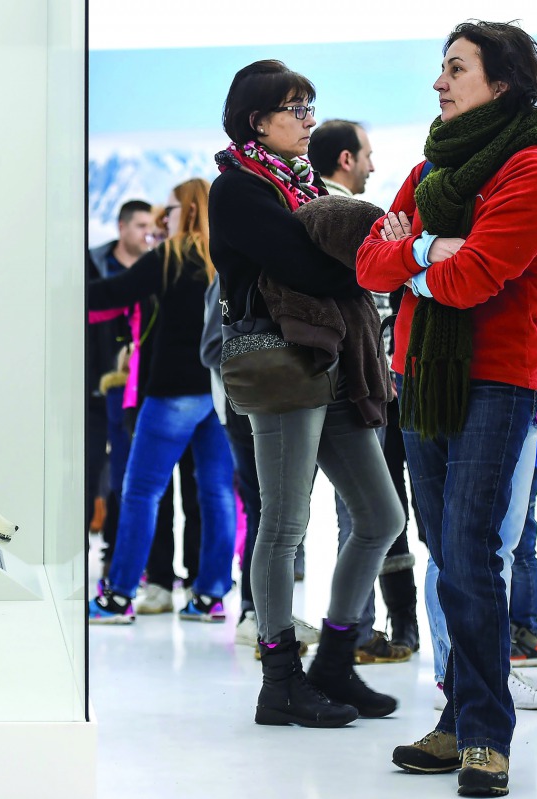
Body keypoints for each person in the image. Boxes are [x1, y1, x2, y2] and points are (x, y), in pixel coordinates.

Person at [357, 21, 537, 795]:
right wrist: (420, 252)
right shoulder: (432, 168)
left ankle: (485, 736)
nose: (439, 82)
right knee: (449, 554)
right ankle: (459, 719)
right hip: (420, 378)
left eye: (455, 68)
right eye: (441, 68)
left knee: (473, 551)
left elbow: (474, 278)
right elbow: (369, 261)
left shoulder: (535, 172)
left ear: (501, 82)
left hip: (492, 381)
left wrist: (418, 255)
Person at [209, 59, 405, 729]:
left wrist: (361, 259)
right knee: (285, 526)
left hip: (335, 363)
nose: (308, 118)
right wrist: (369, 260)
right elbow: (299, 265)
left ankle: (334, 663)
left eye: (310, 105)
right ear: (257, 120)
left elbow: (326, 258)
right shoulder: (237, 189)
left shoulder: (300, 186)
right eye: (294, 107)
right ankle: (280, 678)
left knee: (381, 517)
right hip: (283, 364)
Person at [87, 178, 237, 625]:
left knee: (140, 492)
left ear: (187, 211)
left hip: (172, 393)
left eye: (168, 210)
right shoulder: (225, 255)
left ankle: (118, 597)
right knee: (216, 495)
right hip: (221, 393)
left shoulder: (170, 256)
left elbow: (114, 294)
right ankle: (209, 596)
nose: (160, 219)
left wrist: (61, 289)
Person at [311, 118, 419, 662]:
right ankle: (353, 629)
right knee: (366, 511)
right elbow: (367, 302)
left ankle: (370, 628)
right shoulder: (345, 217)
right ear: (346, 159)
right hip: (358, 386)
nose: (374, 166)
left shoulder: (311, 210)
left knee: (369, 511)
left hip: (356, 382)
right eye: (368, 155)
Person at [86, 200, 153, 571]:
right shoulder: (94, 264)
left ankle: (117, 553)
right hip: (93, 387)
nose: (146, 232)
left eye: (151, 225)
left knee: (127, 474)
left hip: (134, 392)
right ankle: (73, 557)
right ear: (122, 226)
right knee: (88, 467)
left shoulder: (153, 268)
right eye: (140, 224)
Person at [308, 119, 375, 197]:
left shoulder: (301, 204)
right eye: (367, 157)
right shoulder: (353, 209)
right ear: (346, 160)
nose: (372, 168)